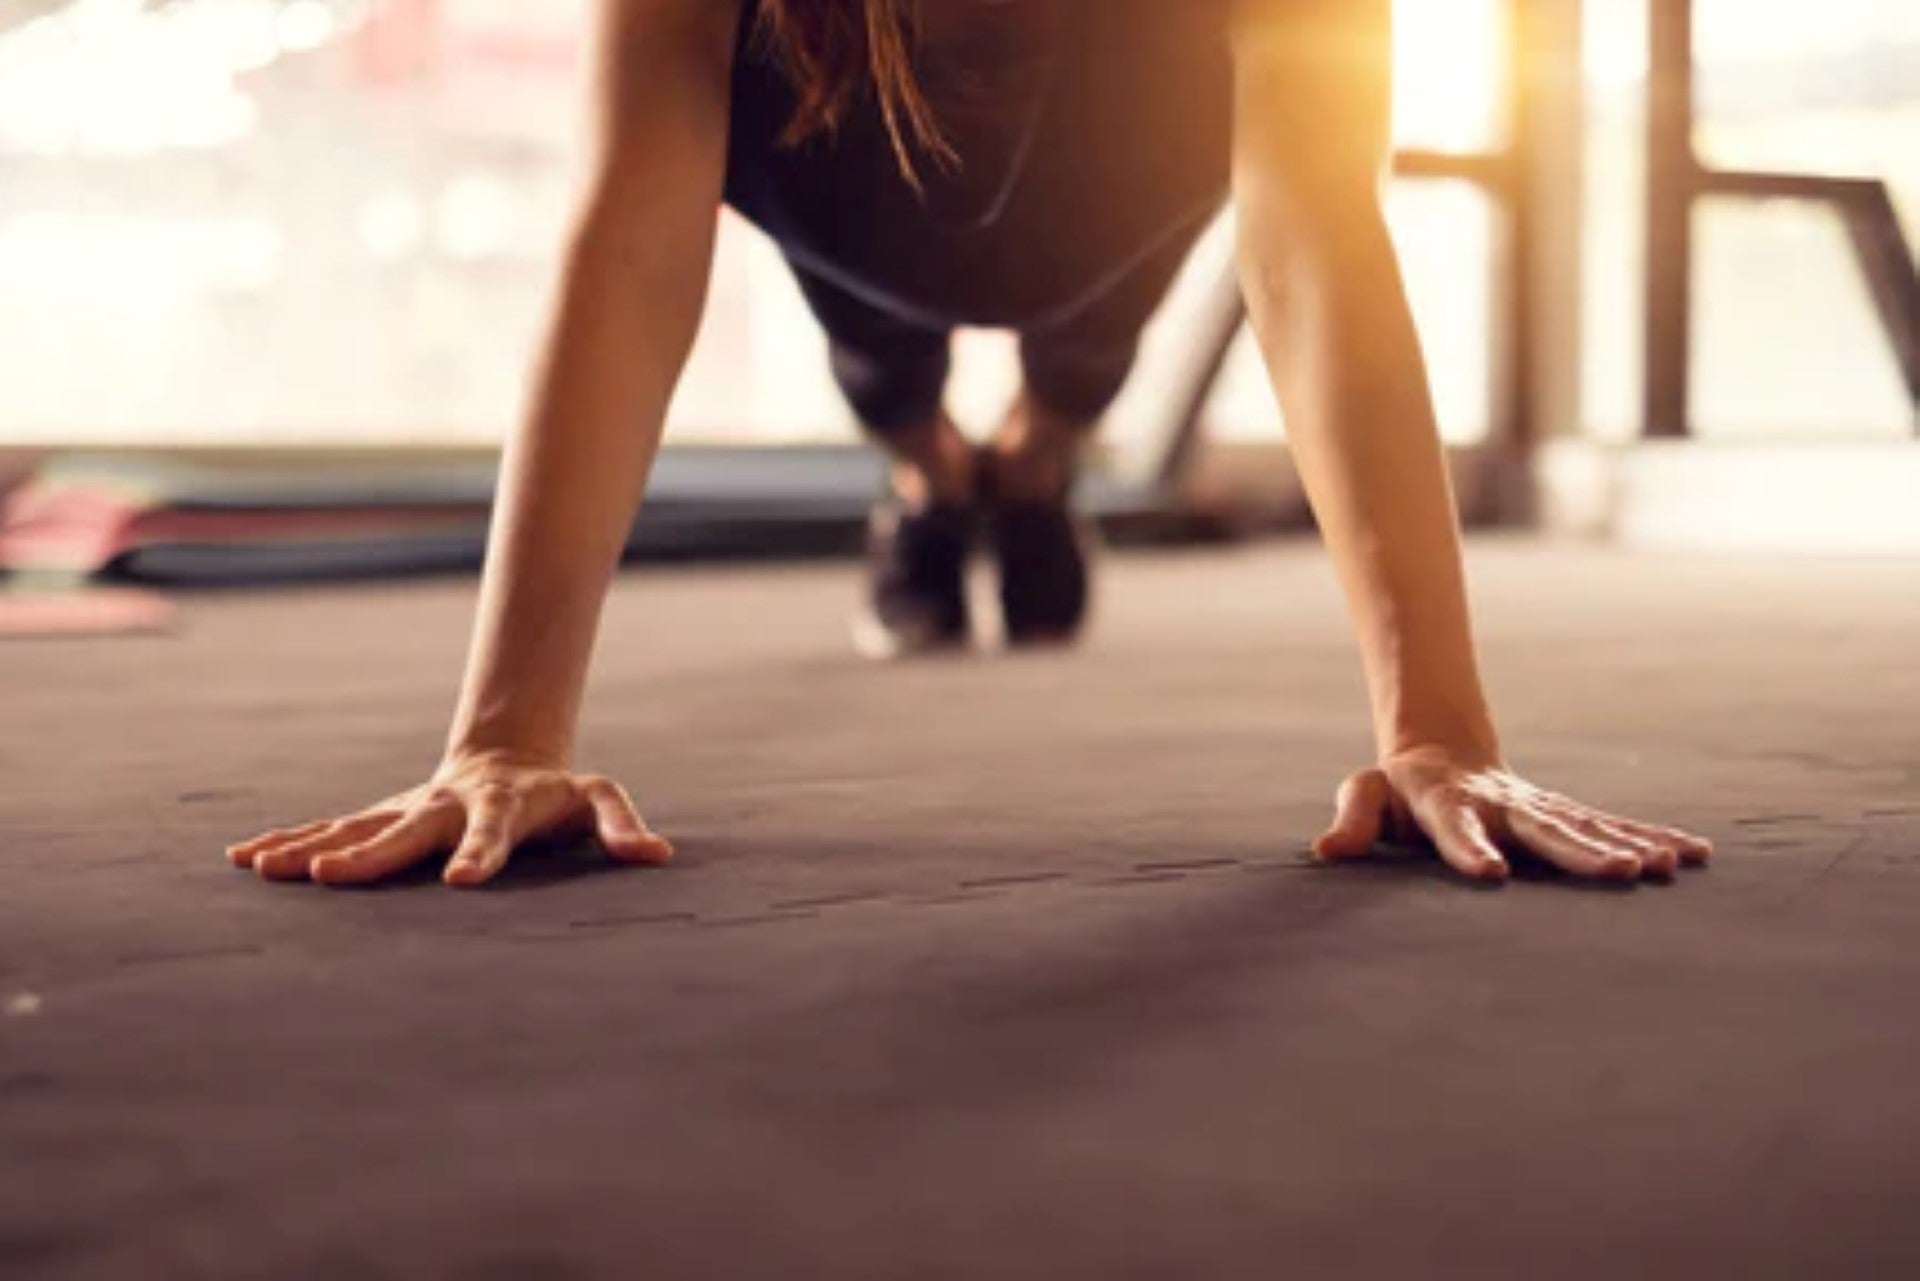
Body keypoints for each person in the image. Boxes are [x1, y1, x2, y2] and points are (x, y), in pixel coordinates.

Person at [228, 0, 1714, 888]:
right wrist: (503, 735)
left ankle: (1034, 462)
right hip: (840, 165)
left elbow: (1316, 241)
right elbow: (629, 240)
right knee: (887, 366)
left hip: (1115, 188)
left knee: (1079, 360)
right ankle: (935, 471)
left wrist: (1440, 728)